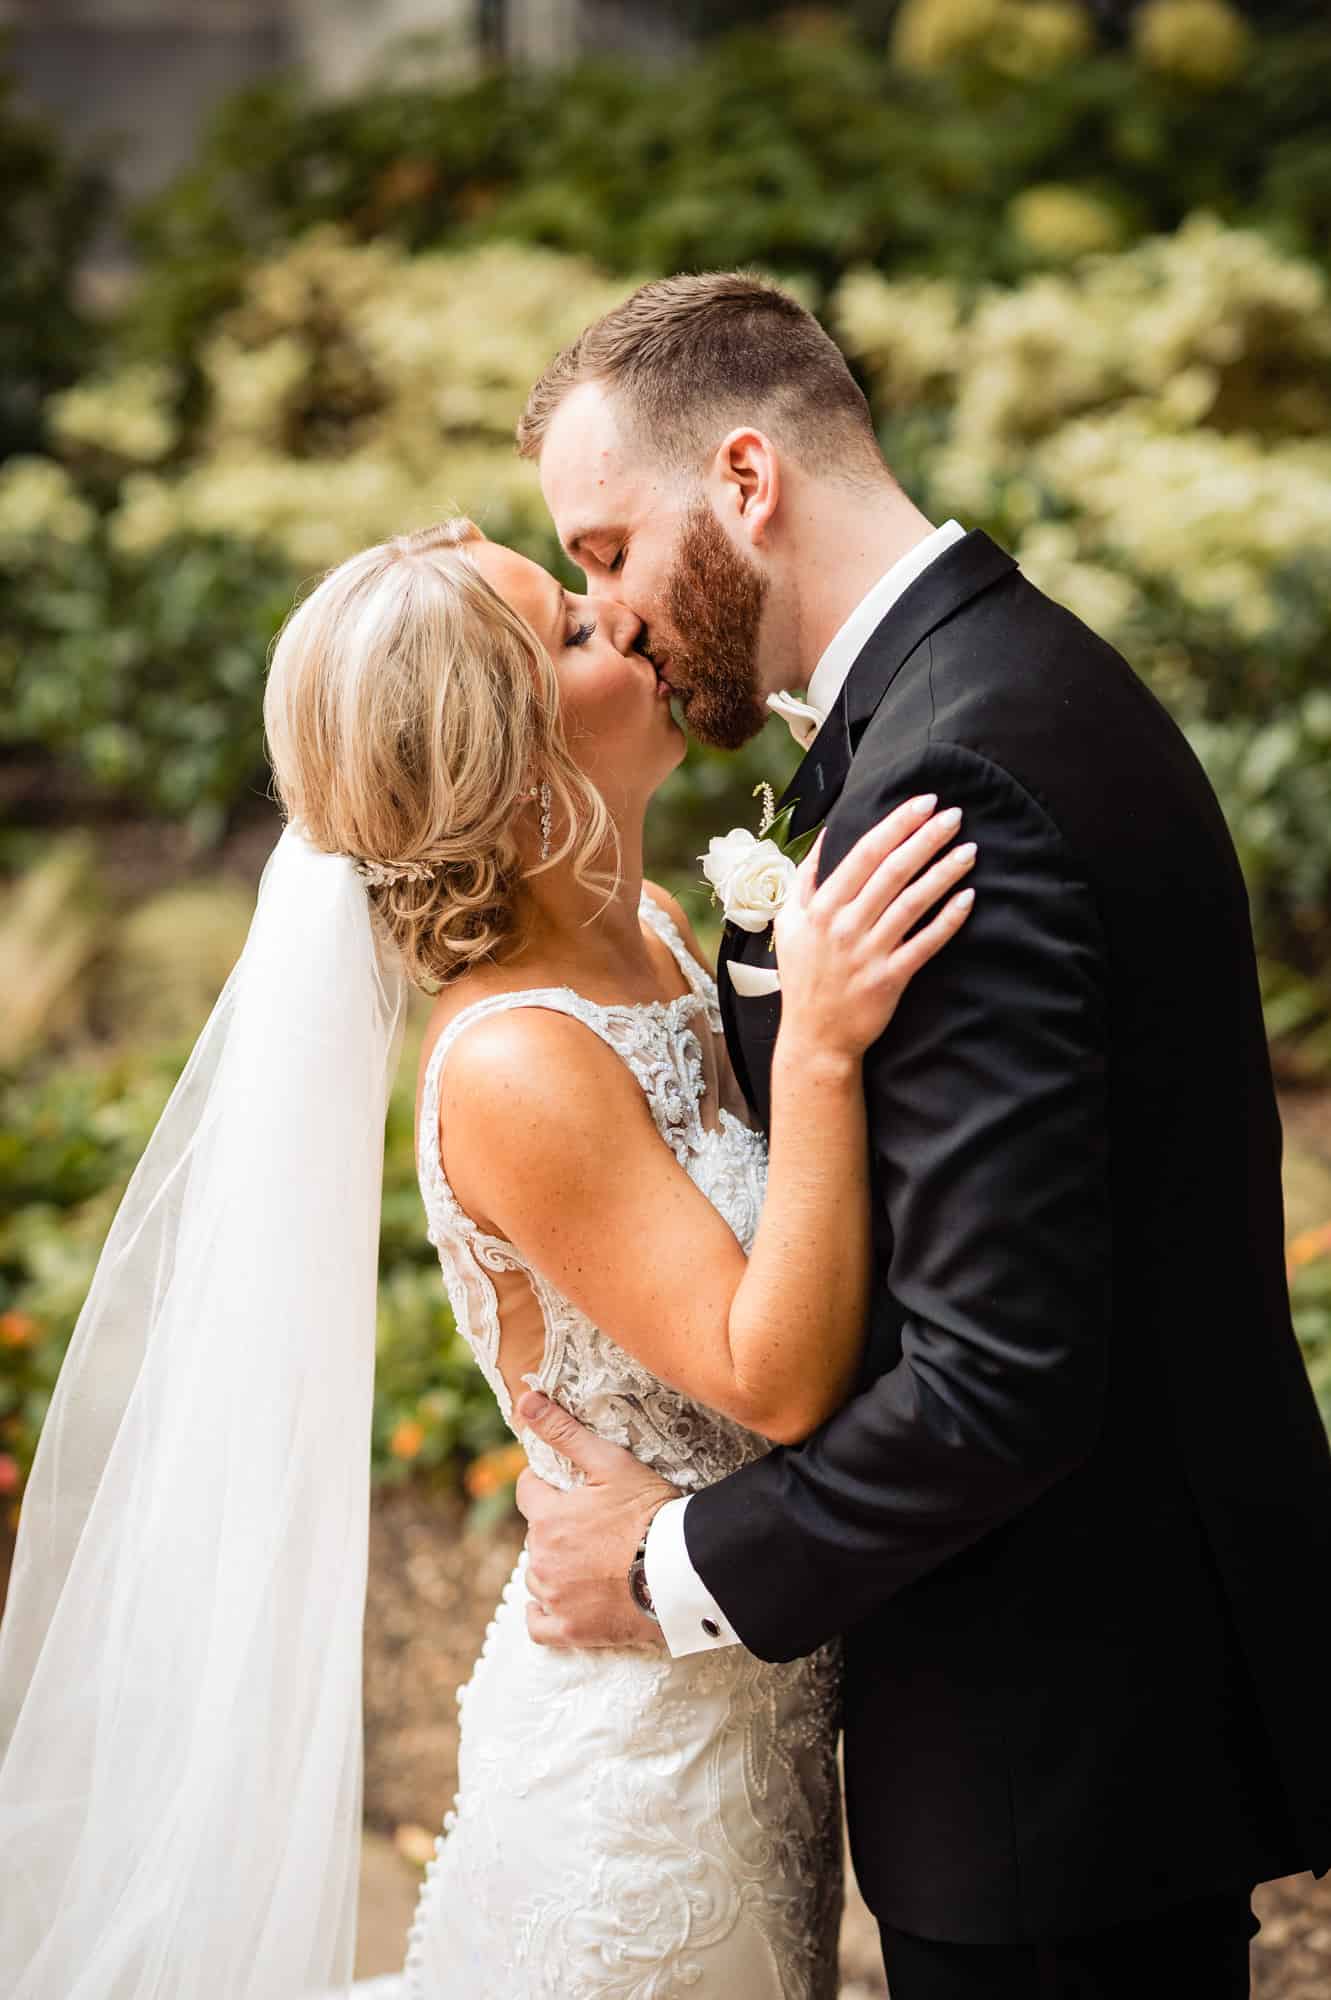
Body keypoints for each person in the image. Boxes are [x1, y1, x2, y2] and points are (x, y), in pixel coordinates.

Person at [0, 516, 974, 2000]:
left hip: (747, 1718)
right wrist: (826, 1051)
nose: (630, 620)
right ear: (510, 768)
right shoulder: (518, 1058)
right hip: (642, 1803)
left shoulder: (651, 931)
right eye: (574, 633)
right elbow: (773, 1379)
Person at [510, 271, 1331, 1999]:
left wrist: (671, 1568)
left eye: (604, 552)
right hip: (1092, 1724)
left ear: (745, 484)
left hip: (1055, 1735)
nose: (614, 610)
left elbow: (1001, 1373)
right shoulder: (983, 687)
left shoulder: (958, 781)